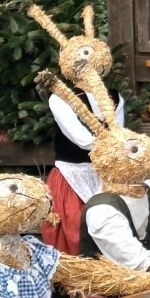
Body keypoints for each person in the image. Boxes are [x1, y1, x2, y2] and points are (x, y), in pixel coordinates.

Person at [42, 88, 125, 255]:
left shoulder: (114, 96)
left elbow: (118, 131)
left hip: (105, 175)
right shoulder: (61, 98)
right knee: (73, 226)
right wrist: (110, 145)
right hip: (70, 175)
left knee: (112, 227)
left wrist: (116, 144)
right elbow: (81, 139)